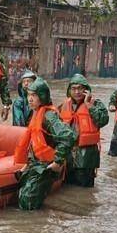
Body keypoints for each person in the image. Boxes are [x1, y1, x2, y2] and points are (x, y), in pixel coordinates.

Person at [14, 78, 76, 210]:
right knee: (24, 194)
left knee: (28, 200)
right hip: (37, 163)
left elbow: (68, 136)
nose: (30, 99)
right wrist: (27, 164)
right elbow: (36, 143)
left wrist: (58, 162)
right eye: (29, 95)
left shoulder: (48, 116)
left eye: (34, 95)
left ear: (42, 96)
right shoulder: (36, 113)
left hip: (47, 166)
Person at [58, 74, 109, 187]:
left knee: (84, 189)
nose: (77, 92)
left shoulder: (96, 104)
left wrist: (88, 105)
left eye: (80, 88)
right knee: (67, 188)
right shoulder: (63, 105)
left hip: (87, 156)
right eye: (74, 88)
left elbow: (103, 120)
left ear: (86, 90)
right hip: (68, 155)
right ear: (69, 90)